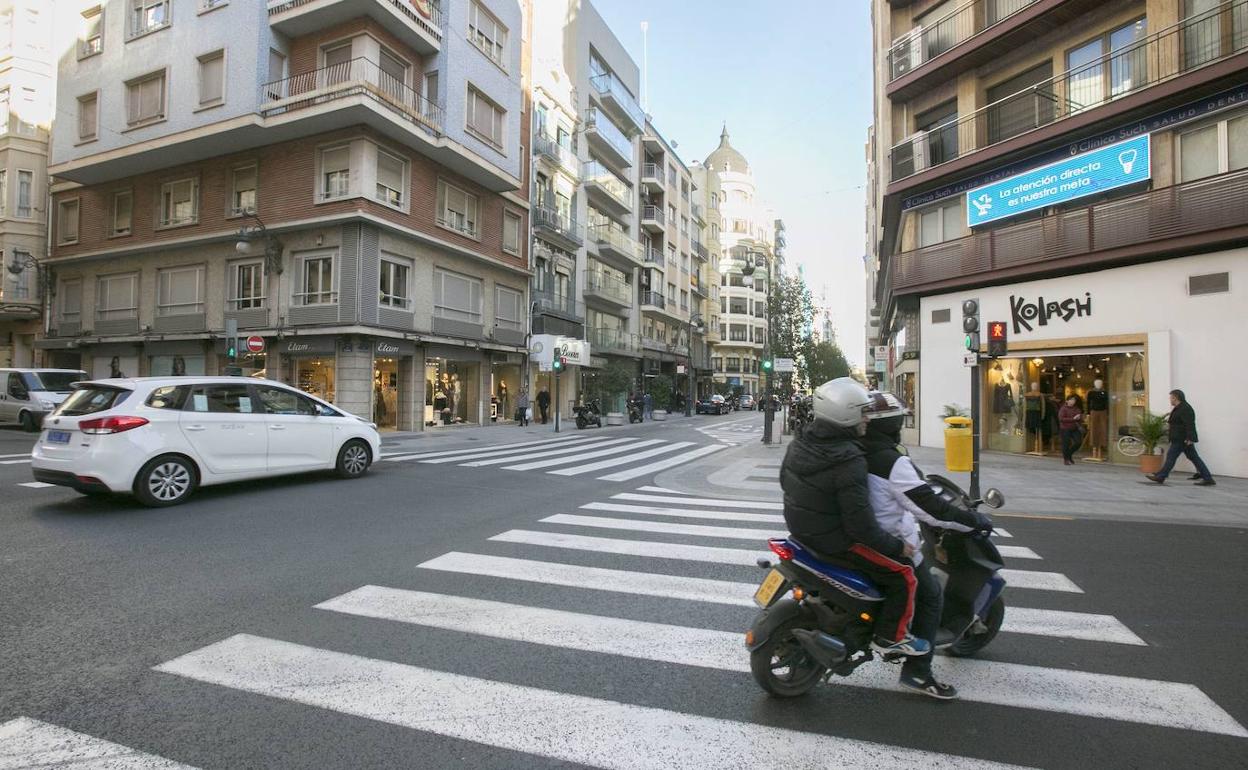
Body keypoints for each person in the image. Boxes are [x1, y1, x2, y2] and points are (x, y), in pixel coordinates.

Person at [780, 377, 929, 657]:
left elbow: (783, 483)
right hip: (836, 541)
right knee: (905, 573)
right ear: (847, 414)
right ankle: (889, 637)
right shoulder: (849, 459)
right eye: (863, 412)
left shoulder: (799, 444)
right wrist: (897, 547)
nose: (868, 420)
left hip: (801, 532)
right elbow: (860, 525)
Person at [862, 391, 993, 700]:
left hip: (857, 535)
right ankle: (919, 672)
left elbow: (915, 489)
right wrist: (974, 521)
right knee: (931, 596)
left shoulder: (856, 450)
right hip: (889, 541)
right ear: (892, 425)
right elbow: (932, 509)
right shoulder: (892, 462)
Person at [1147, 389, 1215, 486]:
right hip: (1180, 438)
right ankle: (1207, 477)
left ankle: (1161, 476)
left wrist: (1190, 438)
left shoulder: (1185, 409)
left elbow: (1189, 424)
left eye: (1171, 398)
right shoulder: (1179, 408)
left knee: (1171, 456)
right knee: (1194, 458)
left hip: (1181, 439)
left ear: (1176, 398)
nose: (1170, 400)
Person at [1057, 395, 1083, 465]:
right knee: (1066, 444)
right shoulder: (1063, 408)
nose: (1072, 402)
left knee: (1078, 442)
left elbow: (1080, 416)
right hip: (1065, 428)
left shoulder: (1076, 408)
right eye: (1071, 400)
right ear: (1067, 401)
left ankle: (1069, 454)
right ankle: (1066, 459)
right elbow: (1061, 419)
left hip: (1074, 428)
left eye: (1074, 400)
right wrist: (1073, 419)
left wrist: (1079, 417)